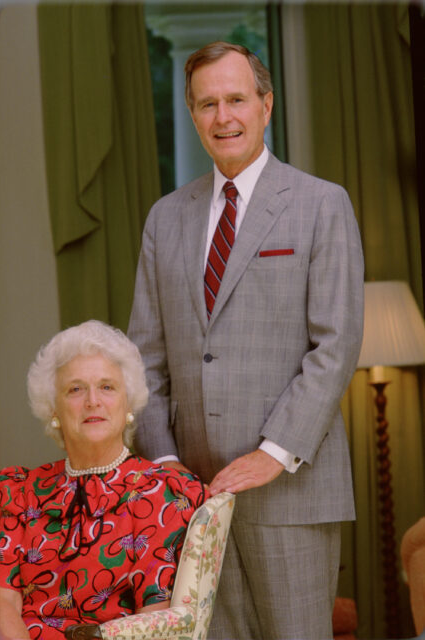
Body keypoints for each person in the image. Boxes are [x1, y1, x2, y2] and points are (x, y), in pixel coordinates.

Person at [128, 41, 364, 640]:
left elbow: (335, 345)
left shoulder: (321, 204)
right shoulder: (165, 218)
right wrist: (164, 466)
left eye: (236, 99)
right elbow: (143, 360)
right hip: (194, 504)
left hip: (291, 492)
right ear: (192, 115)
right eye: (207, 104)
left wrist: (272, 453)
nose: (223, 116)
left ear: (266, 105)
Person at [0, 320, 205, 640]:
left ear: (128, 405)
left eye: (107, 387)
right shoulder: (19, 494)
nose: (92, 400)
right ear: (54, 409)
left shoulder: (160, 495)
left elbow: (154, 623)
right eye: (75, 389)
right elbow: (2, 603)